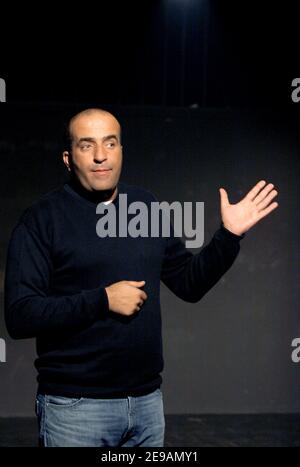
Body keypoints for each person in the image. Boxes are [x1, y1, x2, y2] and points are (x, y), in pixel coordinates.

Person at [4, 108, 279, 447]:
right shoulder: (42, 220)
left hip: (147, 406)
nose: (101, 155)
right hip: (75, 410)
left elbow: (189, 284)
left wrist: (229, 236)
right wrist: (103, 300)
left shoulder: (146, 207)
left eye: (110, 143)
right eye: (87, 145)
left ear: (121, 150)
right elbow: (20, 315)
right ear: (67, 157)